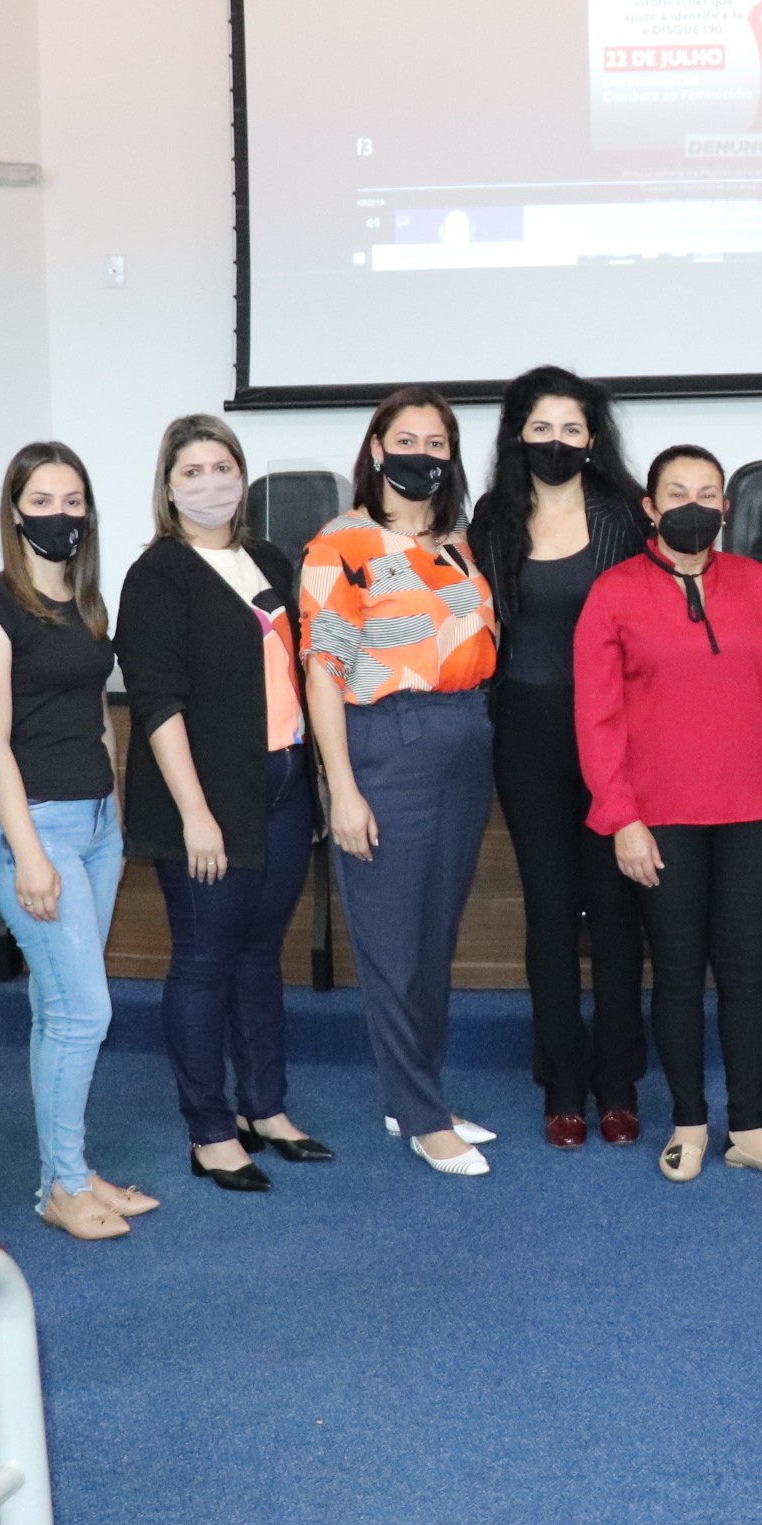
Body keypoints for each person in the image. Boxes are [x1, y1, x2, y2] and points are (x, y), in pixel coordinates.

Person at [574, 447, 762, 1183]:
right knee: (677, 974)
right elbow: (597, 718)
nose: (693, 505)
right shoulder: (613, 592)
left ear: (726, 509)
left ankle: (749, 1127)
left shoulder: (756, 584)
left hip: (753, 811)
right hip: (658, 820)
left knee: (745, 973)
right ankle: (688, 1122)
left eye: (707, 493)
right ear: (649, 508)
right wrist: (621, 817)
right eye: (676, 492)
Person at [117, 415, 328, 1193]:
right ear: (168, 487)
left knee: (259, 954)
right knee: (204, 962)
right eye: (192, 471)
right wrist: (194, 813)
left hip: (282, 786)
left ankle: (265, 1107)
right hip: (204, 802)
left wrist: (314, 780)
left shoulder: (266, 558)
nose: (211, 483)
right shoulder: (158, 574)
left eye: (223, 467)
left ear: (243, 477)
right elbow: (157, 702)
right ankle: (209, 1128)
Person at [300, 386, 502, 1175]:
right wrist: (341, 788)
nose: (422, 454)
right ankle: (422, 1118)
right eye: (406, 440)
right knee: (392, 944)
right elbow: (323, 672)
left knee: (433, 936)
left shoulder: (455, 543)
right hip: (388, 741)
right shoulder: (341, 543)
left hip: (463, 738)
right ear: (377, 450)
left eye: (437, 442)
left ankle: (414, 1096)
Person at [0, 440, 156, 1236]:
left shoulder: (85, 600)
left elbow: (95, 713)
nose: (59, 514)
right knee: (85, 1012)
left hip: (96, 825)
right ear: (14, 513)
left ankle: (68, 1171)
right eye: (41, 501)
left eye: (72, 500)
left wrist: (114, 814)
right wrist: (28, 854)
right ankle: (62, 1188)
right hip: (35, 828)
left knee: (59, 1008)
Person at [465, 366, 650, 1148]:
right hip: (527, 733)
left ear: (592, 437)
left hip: (616, 733)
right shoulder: (491, 518)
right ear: (517, 434)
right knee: (549, 910)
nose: (556, 441)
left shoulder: (623, 514)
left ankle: (618, 1083)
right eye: (541, 428)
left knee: (614, 911)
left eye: (571, 428)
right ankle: (562, 1084)